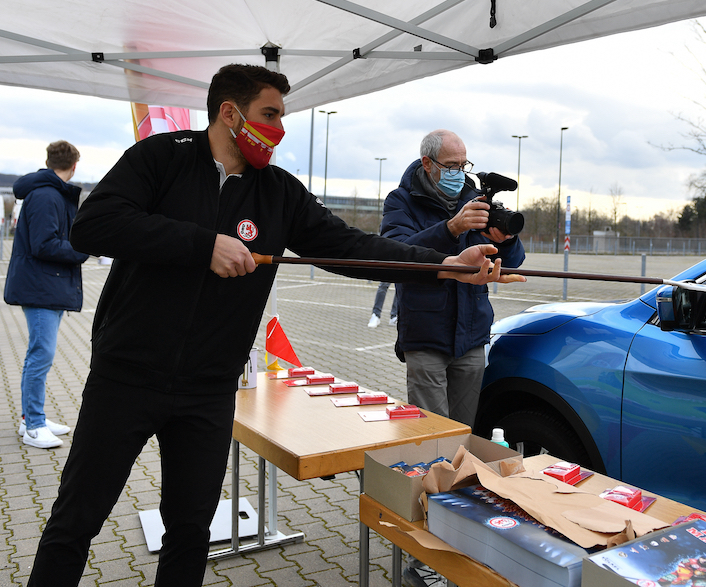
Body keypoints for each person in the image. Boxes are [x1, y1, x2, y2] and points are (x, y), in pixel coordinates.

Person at [26, 64, 523, 587]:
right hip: (125, 378)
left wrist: (444, 265)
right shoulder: (160, 157)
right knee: (76, 519)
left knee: (191, 530)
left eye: (281, 116)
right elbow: (94, 225)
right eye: (270, 114)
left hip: (209, 389)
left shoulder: (279, 191)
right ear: (228, 112)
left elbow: (351, 247)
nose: (279, 129)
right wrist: (202, 244)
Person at [381, 129, 526, 427]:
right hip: (426, 335)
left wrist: (506, 240)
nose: (458, 173)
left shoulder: (476, 199)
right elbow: (397, 253)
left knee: (464, 430)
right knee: (433, 431)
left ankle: (460, 474)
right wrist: (451, 228)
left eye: (463, 165)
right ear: (427, 163)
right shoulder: (401, 201)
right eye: (451, 166)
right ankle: (432, 474)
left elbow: (511, 264)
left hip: (471, 336)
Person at [4, 140, 90, 449]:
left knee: (40, 354)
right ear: (74, 165)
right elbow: (44, 244)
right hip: (39, 287)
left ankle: (33, 417)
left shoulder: (49, 194)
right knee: (41, 355)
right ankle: (33, 424)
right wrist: (83, 250)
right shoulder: (46, 196)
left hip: (44, 286)